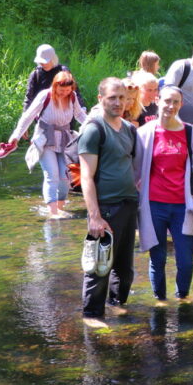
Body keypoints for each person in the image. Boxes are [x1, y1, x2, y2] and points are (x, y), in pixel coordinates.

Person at [136, 86, 193, 302]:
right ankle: (160, 300)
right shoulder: (145, 133)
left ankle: (182, 298)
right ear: (158, 100)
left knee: (186, 260)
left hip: (183, 206)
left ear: (181, 104)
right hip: (154, 206)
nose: (170, 106)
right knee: (157, 258)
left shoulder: (191, 133)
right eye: (167, 101)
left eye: (175, 102)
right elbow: (134, 170)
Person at [79, 77, 141, 326]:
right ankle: (91, 315)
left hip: (128, 204)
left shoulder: (128, 129)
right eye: (112, 97)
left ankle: (117, 306)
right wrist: (94, 215)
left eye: (122, 97)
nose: (118, 102)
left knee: (124, 268)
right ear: (100, 99)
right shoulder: (94, 129)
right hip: (105, 208)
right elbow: (86, 175)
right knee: (99, 266)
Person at [0, 71, 87, 218]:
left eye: (67, 90)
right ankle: (53, 212)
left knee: (65, 177)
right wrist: (16, 136)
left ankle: (60, 207)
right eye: (61, 90)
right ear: (55, 86)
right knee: (52, 175)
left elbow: (79, 115)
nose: (64, 93)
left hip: (65, 140)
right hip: (45, 139)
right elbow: (28, 116)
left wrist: (94, 126)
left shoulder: (72, 97)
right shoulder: (45, 96)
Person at [23, 44, 78, 111]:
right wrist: (25, 115)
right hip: (42, 117)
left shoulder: (63, 71)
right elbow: (29, 98)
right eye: (41, 61)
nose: (43, 64)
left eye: (45, 61)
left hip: (64, 113)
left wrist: (82, 108)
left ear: (53, 59)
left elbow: (75, 91)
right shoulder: (36, 74)